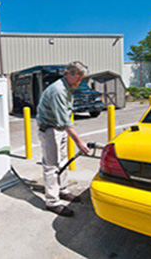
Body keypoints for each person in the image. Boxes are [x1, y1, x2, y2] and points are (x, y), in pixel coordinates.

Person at [36, 61, 90, 217]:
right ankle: (52, 202)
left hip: (59, 128)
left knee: (62, 161)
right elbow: (64, 121)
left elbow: (65, 117)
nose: (80, 82)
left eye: (81, 78)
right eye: (78, 78)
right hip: (50, 129)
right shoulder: (58, 90)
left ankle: (62, 190)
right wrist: (79, 142)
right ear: (69, 74)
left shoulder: (68, 87)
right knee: (51, 166)